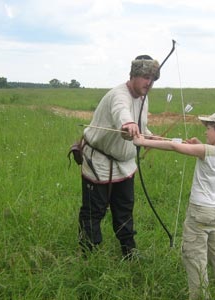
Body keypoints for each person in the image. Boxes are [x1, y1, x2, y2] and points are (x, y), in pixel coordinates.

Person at [133, 111, 215, 299]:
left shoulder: (207, 151)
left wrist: (143, 142)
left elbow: (174, 146)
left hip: (199, 214)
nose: (205, 132)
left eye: (208, 128)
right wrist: (199, 145)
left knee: (194, 258)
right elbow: (207, 150)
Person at [79, 54, 160, 259]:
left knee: (124, 209)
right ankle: (89, 255)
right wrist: (127, 124)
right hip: (99, 162)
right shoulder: (119, 94)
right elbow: (122, 113)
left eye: (153, 78)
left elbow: (139, 125)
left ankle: (128, 251)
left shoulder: (144, 97)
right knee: (94, 211)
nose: (149, 82)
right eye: (145, 77)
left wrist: (152, 137)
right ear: (133, 75)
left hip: (125, 165)